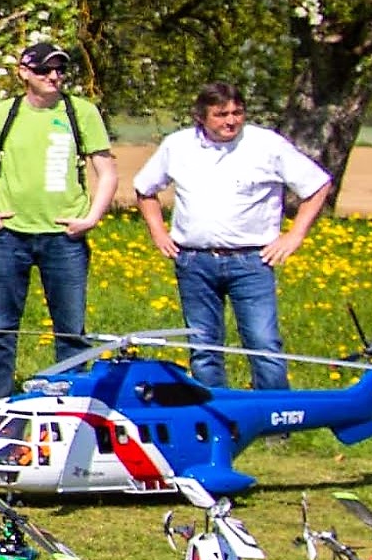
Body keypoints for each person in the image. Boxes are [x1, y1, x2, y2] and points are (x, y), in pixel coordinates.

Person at [134, 82, 336, 389]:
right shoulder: (177, 146)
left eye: (237, 112)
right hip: (194, 261)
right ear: (201, 116)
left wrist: (294, 236)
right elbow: (145, 188)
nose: (231, 120)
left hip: (251, 261)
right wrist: (158, 231)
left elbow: (318, 185)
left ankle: (273, 421)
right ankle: (214, 419)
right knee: (204, 348)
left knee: (263, 343)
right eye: (221, 114)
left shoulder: (267, 145)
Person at [0, 40, 116, 401]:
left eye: (60, 70)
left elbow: (107, 172)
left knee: (71, 328)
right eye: (44, 70)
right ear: (24, 73)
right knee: (0, 326)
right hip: (8, 235)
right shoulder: (3, 114)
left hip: (64, 237)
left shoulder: (81, 113)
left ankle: (68, 398)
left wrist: (92, 218)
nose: (54, 76)